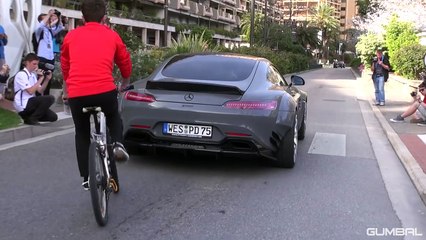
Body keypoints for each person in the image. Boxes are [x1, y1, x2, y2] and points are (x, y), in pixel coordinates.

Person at [60, 0, 132, 190]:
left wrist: (68, 89)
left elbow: (65, 64)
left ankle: (86, 176)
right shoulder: (112, 35)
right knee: (114, 116)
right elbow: (124, 60)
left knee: (82, 133)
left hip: (77, 94)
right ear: (104, 18)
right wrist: (125, 82)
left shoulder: (71, 36)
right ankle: (117, 144)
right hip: (104, 92)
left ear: (82, 18)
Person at [13, 53, 58, 125]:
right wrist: (41, 78)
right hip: (23, 105)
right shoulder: (21, 74)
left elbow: (40, 90)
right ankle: (32, 119)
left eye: (37, 64)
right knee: (50, 98)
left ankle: (29, 117)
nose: (36, 66)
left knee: (53, 117)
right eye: (34, 64)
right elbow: (30, 91)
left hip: (31, 104)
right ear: (27, 63)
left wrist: (46, 79)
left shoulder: (33, 75)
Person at [35, 9, 64, 96]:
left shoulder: (50, 30)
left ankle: (46, 98)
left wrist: (58, 17)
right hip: (42, 57)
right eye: (47, 18)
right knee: (40, 78)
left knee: (48, 79)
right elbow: (41, 25)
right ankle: (37, 97)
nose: (49, 19)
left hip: (50, 58)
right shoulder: (38, 30)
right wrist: (49, 14)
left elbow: (60, 27)